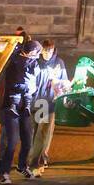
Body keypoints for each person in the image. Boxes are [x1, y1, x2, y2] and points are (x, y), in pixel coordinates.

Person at [0, 38, 42, 183]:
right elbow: (14, 83)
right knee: (12, 141)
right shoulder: (15, 63)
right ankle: (4, 173)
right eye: (35, 52)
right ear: (29, 51)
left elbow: (35, 83)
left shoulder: (33, 63)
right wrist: (28, 87)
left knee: (27, 140)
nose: (37, 55)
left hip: (25, 107)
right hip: (11, 106)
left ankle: (22, 166)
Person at [28, 41, 70, 176]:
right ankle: (34, 160)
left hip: (46, 102)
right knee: (33, 133)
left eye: (50, 51)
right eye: (45, 51)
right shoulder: (35, 62)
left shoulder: (59, 63)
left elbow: (64, 82)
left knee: (42, 133)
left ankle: (36, 162)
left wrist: (59, 85)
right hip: (34, 100)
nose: (47, 54)